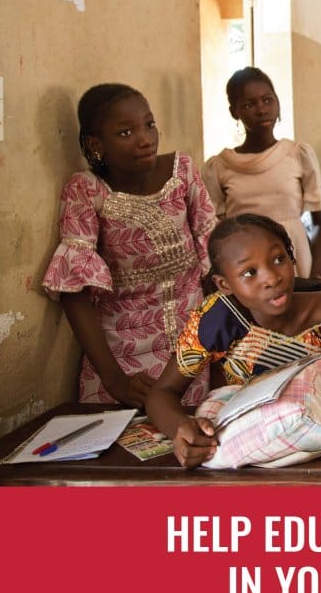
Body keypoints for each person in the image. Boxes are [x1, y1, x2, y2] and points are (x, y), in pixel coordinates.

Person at [144, 214, 321, 467]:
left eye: (278, 259)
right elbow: (162, 394)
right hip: (249, 449)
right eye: (250, 272)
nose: (272, 278)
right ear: (224, 284)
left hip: (319, 444)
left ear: (292, 257)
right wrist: (181, 428)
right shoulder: (218, 319)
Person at [42, 83, 216, 406]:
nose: (145, 139)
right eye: (125, 133)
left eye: (149, 125)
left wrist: (220, 343)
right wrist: (116, 381)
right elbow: (73, 289)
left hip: (194, 352)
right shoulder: (85, 190)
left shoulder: (183, 173)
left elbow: (215, 257)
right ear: (96, 145)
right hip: (123, 362)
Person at [202, 67, 321, 279]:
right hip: (245, 262)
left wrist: (316, 273)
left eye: (268, 100)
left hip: (294, 257)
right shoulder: (219, 167)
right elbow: (216, 231)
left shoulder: (298, 155)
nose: (261, 110)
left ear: (278, 103)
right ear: (234, 112)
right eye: (249, 104)